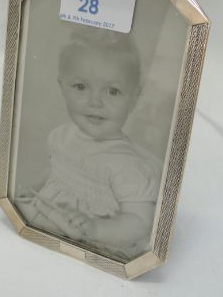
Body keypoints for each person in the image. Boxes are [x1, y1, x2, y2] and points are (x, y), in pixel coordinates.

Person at [15, 28, 162, 260]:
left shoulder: (128, 167)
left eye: (112, 91)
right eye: (81, 87)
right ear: (62, 86)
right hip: (50, 225)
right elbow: (58, 173)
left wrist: (95, 228)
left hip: (94, 246)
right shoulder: (61, 134)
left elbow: (139, 223)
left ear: (135, 96)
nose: (95, 102)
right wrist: (33, 188)